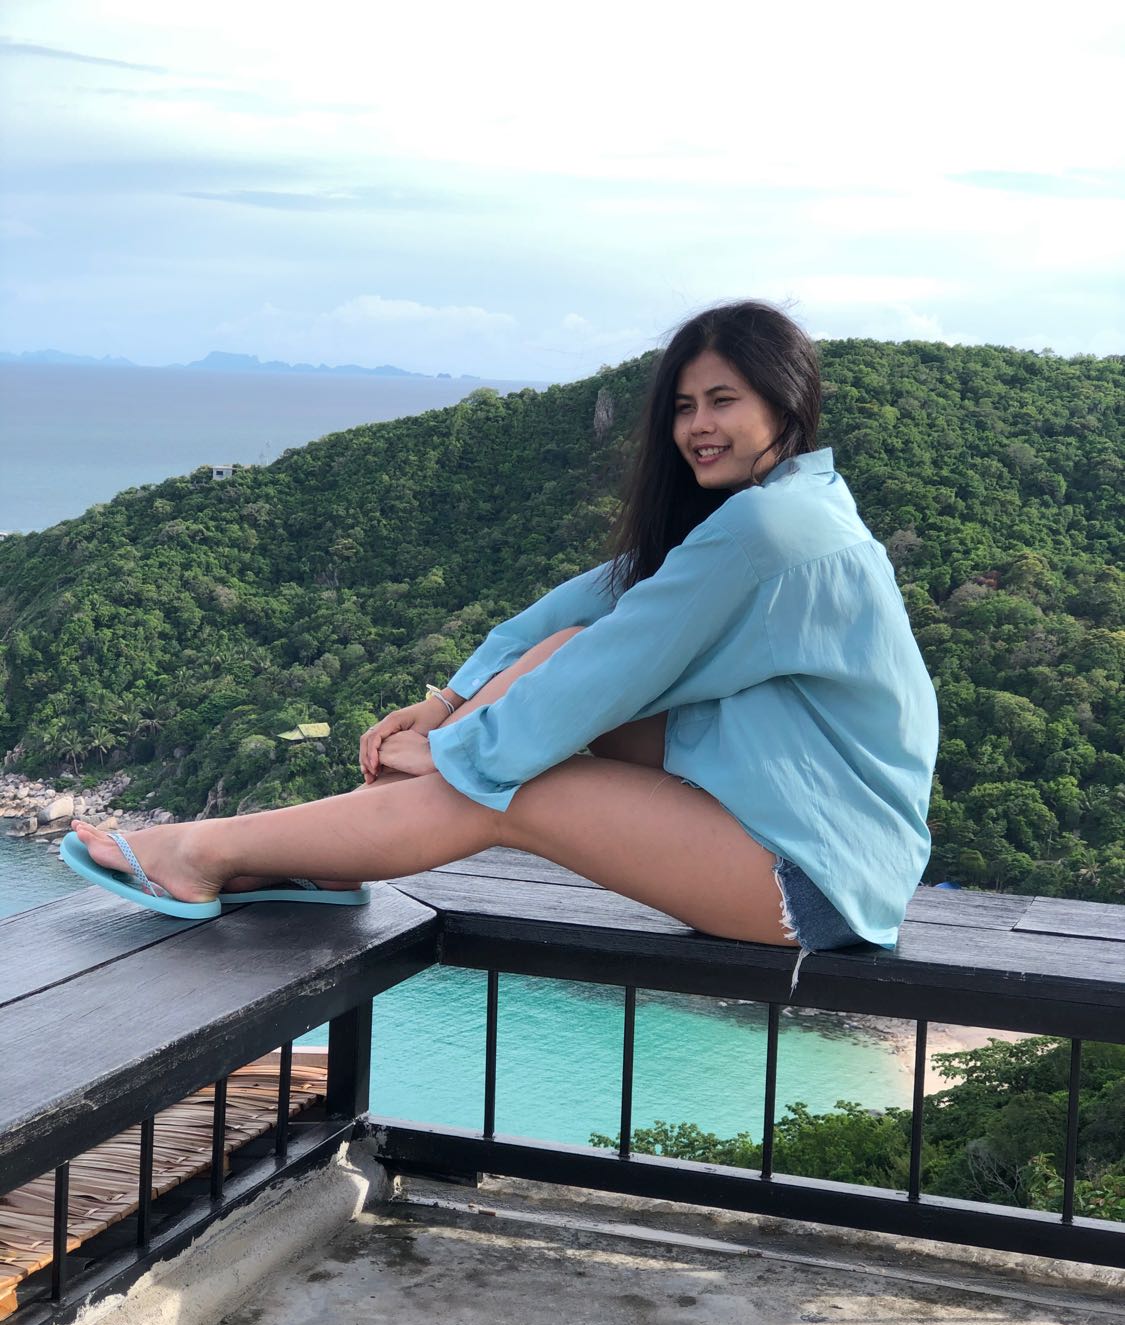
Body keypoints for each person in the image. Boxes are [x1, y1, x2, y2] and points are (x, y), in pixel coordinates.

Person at [63, 300, 939, 981]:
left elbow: (609, 670)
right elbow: (582, 611)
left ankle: (203, 852)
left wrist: (454, 749)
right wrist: (449, 702)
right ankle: (318, 860)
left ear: (785, 403)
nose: (696, 427)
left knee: (501, 790)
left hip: (814, 885)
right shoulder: (784, 509)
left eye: (722, 401)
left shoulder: (768, 531)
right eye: (682, 407)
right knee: (544, 676)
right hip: (791, 822)